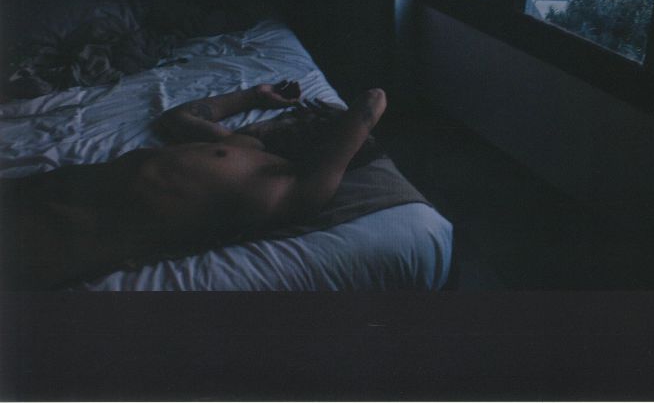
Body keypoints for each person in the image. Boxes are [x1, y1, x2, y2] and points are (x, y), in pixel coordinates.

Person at [0, 82, 387, 290]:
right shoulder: (242, 145)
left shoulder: (298, 188)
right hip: (45, 188)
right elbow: (179, 118)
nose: (292, 121)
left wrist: (337, 124)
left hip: (73, 230)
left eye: (307, 122)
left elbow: (372, 102)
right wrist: (253, 96)